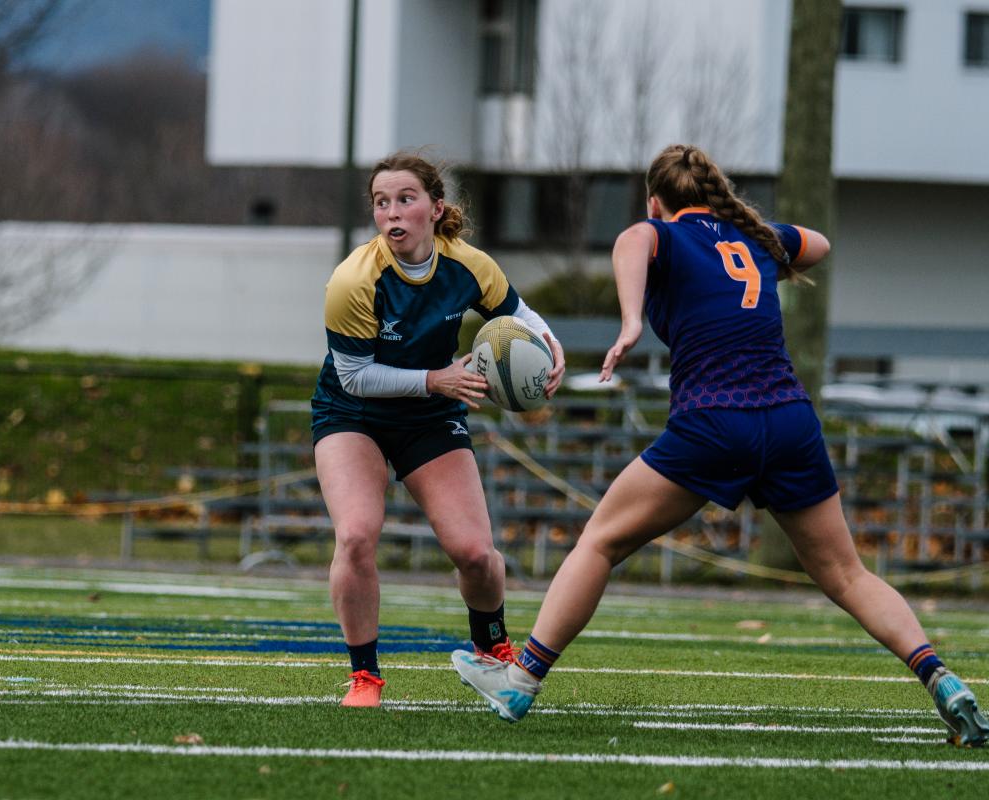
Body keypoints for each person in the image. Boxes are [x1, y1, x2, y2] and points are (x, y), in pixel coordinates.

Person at [451, 143, 989, 748]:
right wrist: (752, 230)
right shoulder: (754, 239)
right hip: (789, 421)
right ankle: (940, 678)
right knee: (846, 574)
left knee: (600, 542)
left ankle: (521, 679)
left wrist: (631, 321)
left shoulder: (661, 234)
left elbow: (632, 240)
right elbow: (818, 244)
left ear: (655, 201)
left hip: (716, 419)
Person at [311, 151, 566, 708]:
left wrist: (550, 348)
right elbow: (355, 377)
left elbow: (520, 315)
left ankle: (492, 652)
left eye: (405, 199)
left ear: (435, 208)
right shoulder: (353, 280)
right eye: (381, 202)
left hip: (429, 415)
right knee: (355, 535)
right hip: (352, 413)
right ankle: (364, 677)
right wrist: (436, 379)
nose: (392, 212)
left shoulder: (468, 265)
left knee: (475, 553)